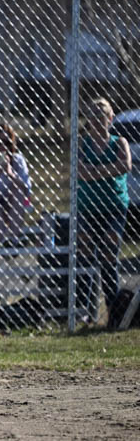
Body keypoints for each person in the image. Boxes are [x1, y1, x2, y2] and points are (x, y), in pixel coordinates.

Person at [77, 98, 131, 322]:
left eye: (101, 117)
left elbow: (125, 165)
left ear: (110, 118)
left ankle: (113, 311)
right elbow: (80, 171)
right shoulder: (82, 144)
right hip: (88, 207)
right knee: (85, 250)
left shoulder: (119, 142)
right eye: (92, 117)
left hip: (113, 206)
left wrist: (95, 171)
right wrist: (108, 170)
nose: (97, 121)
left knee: (109, 250)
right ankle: (85, 311)